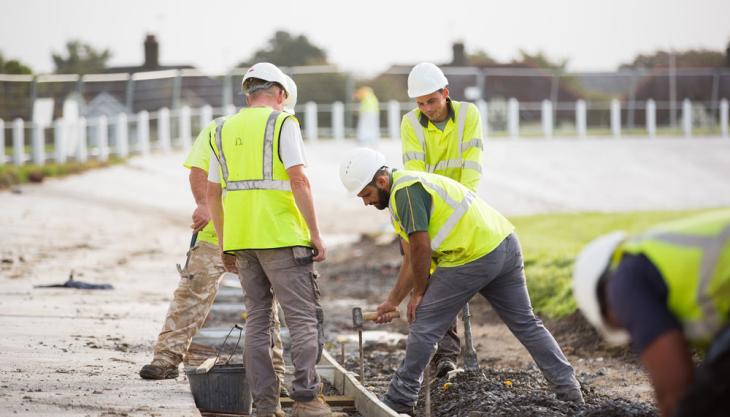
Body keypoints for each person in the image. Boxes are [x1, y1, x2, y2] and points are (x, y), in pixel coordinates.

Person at [338, 148, 583, 415]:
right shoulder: (409, 188)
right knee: (526, 323)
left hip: (472, 257)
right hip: (505, 244)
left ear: (381, 181)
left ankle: (400, 398)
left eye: (366, 194)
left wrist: (419, 293)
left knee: (425, 323)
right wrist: (392, 301)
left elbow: (421, 248)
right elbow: (410, 258)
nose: (365, 202)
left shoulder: (405, 193)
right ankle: (569, 390)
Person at [137, 75, 300, 393]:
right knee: (197, 293)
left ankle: (274, 374)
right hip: (231, 231)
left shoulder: (277, 127)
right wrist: (204, 204)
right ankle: (166, 360)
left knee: (262, 306)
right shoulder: (224, 127)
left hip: (255, 232)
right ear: (280, 95)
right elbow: (199, 169)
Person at [207, 62, 345, 417]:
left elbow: (213, 194)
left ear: (248, 92)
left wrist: (225, 244)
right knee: (302, 320)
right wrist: (315, 234)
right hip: (282, 237)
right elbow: (299, 181)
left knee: (257, 320)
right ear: (280, 94)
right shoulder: (283, 122)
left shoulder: (220, 128)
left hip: (242, 240)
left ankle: (266, 406)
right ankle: (306, 400)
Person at [572, 210, 730, 417]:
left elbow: (674, 389)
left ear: (604, 303)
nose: (630, 330)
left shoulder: (623, 283)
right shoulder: (652, 258)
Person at [399, 62, 487, 376]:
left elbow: (471, 165)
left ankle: (447, 353)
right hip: (429, 211)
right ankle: (443, 355)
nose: (426, 109)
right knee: (427, 277)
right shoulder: (411, 123)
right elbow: (416, 172)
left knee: (453, 277)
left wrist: (461, 213)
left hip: (463, 205)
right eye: (420, 103)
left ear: (445, 94)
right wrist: (427, 222)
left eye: (431, 101)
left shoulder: (468, 115)